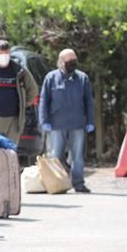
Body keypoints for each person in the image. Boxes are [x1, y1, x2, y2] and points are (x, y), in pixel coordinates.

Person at [39, 49, 95, 193]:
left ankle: (78, 183)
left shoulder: (83, 78)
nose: (73, 64)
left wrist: (90, 121)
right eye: (69, 61)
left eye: (74, 60)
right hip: (57, 124)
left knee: (77, 156)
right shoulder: (50, 78)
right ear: (61, 62)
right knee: (56, 155)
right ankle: (57, 184)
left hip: (78, 124)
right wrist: (44, 120)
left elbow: (89, 101)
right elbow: (44, 101)